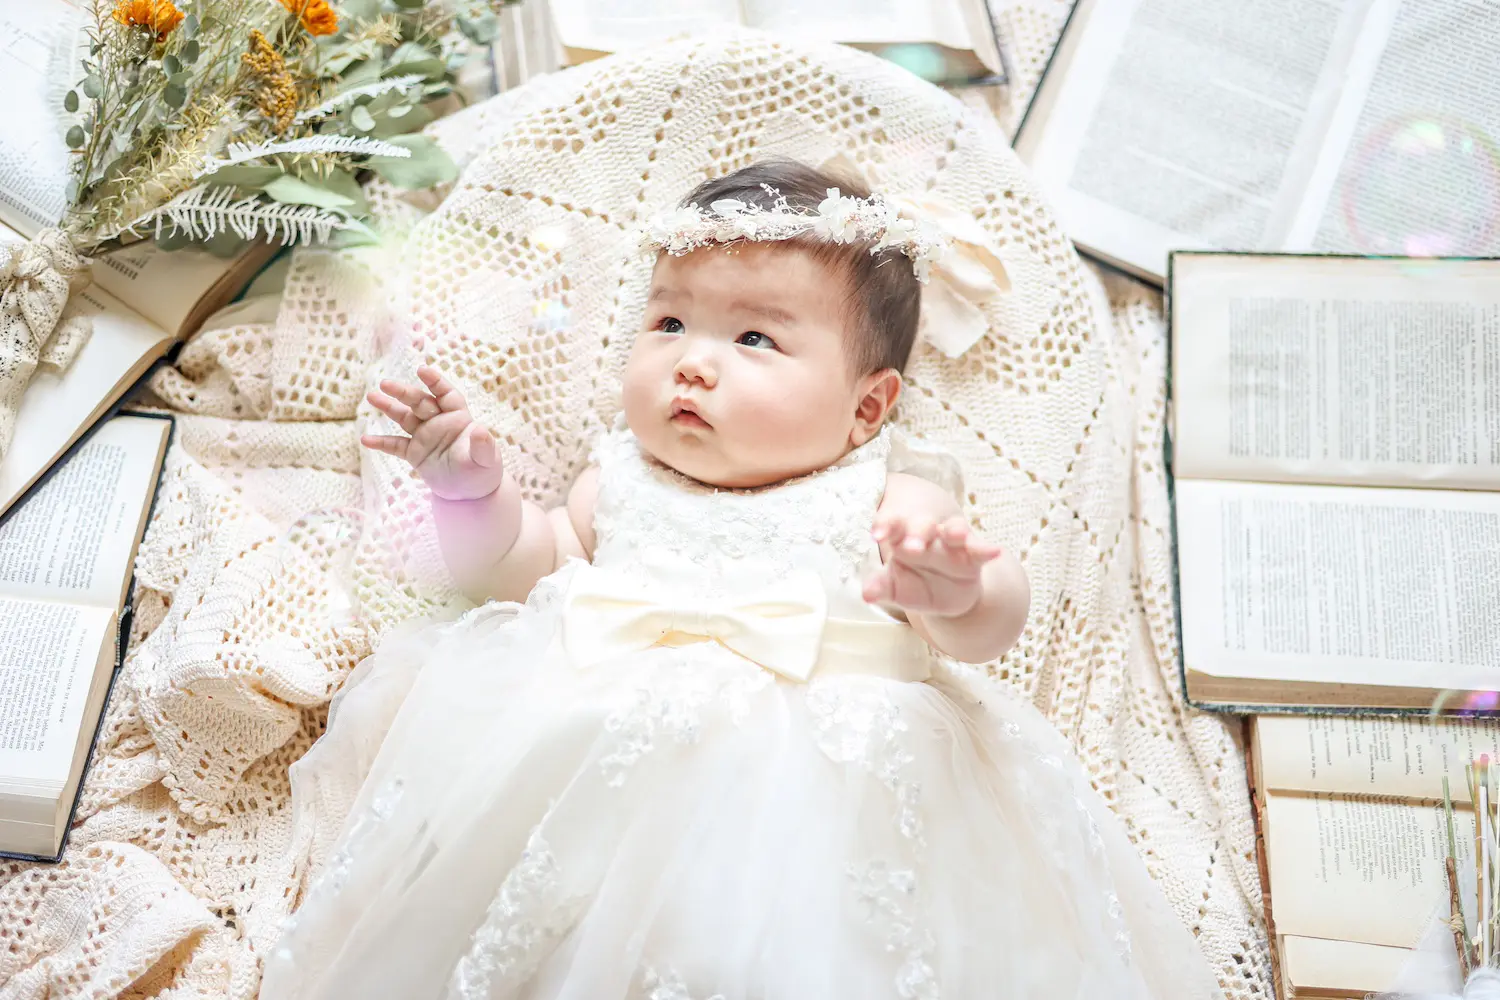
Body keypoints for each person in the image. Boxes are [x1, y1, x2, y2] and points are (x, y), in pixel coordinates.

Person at [258, 160, 1226, 1000]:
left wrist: (958, 591)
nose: (693, 365)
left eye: (754, 340)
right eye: (670, 322)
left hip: (824, 788)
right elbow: (517, 578)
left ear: (867, 406)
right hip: (593, 763)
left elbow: (988, 624)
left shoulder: (894, 489)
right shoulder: (623, 479)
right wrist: (473, 494)